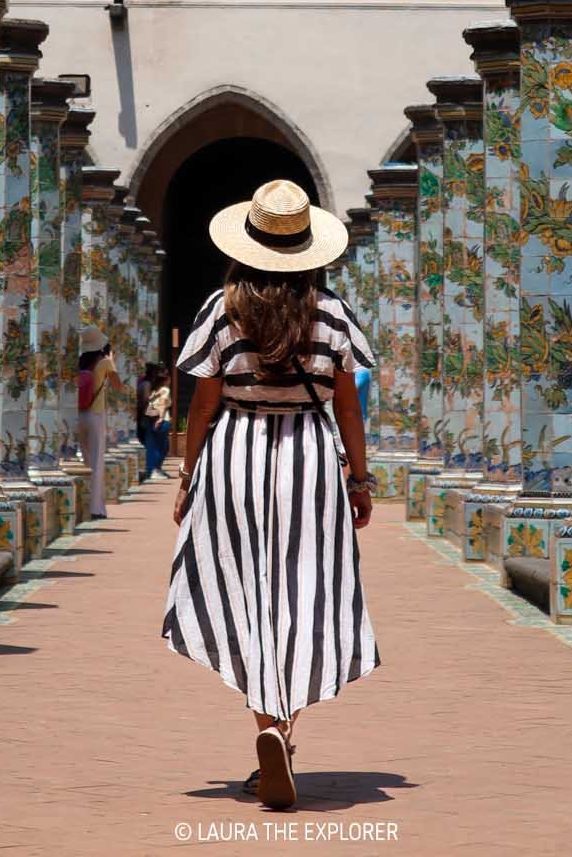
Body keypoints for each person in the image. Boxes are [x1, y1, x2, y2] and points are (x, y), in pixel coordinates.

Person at [162, 179, 379, 812]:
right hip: (309, 457)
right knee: (303, 590)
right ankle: (284, 728)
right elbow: (347, 405)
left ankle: (265, 725)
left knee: (245, 588)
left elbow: (202, 402)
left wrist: (187, 474)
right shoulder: (331, 312)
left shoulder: (222, 308)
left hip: (236, 454)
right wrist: (360, 481)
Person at [76, 326, 118, 521]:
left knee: (84, 461)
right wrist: (112, 360)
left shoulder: (79, 363)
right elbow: (118, 385)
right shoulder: (103, 363)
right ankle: (96, 508)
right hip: (95, 415)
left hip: (79, 415)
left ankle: (82, 505)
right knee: (96, 463)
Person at [143, 368, 172, 479]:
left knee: (153, 445)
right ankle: (156, 469)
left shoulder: (155, 390)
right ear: (167, 379)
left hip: (152, 419)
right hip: (162, 419)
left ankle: (154, 469)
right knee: (162, 447)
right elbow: (163, 404)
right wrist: (160, 418)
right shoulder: (165, 390)